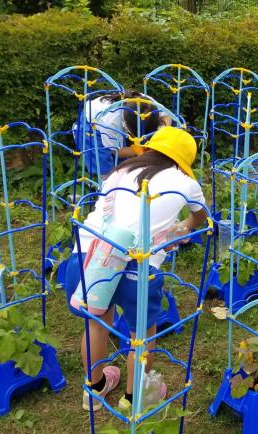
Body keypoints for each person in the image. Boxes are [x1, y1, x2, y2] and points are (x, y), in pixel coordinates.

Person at [63, 126, 207, 411]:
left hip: (90, 255)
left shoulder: (120, 171)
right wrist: (182, 227)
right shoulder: (186, 183)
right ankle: (132, 398)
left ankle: (94, 389)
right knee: (141, 336)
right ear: (183, 161)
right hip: (138, 266)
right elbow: (200, 216)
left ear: (150, 149)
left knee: (96, 323)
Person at [77, 90, 171, 178]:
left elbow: (167, 116)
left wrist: (161, 136)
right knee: (104, 166)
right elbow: (116, 150)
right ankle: (106, 186)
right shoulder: (111, 121)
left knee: (124, 165)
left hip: (115, 119)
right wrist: (142, 151)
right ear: (126, 126)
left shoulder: (147, 104)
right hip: (92, 124)